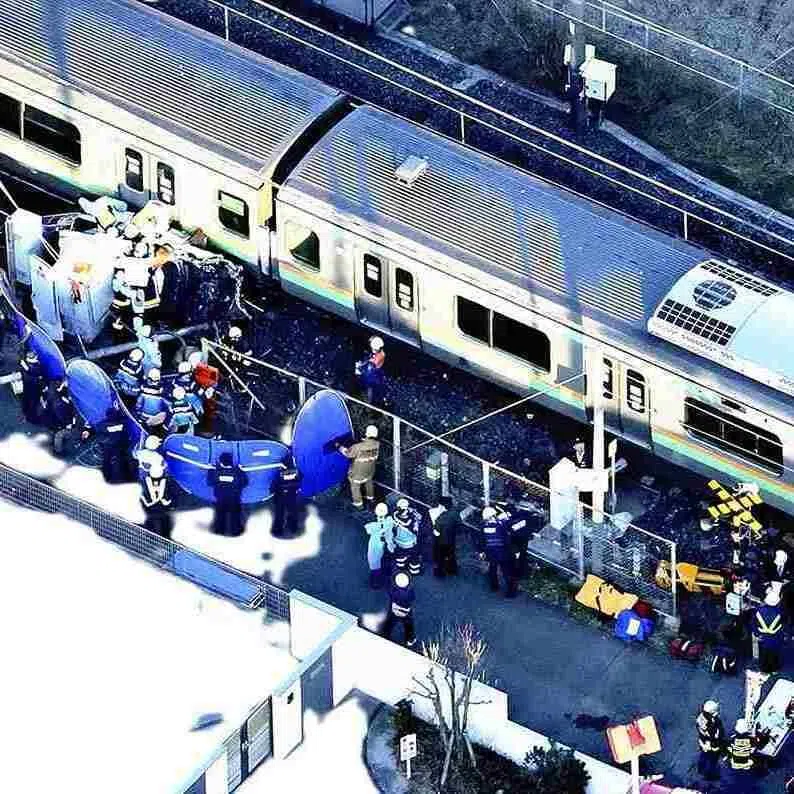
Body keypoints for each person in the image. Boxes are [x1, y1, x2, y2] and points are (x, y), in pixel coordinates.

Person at [479, 505, 518, 598]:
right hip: (502, 552)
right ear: (493, 516)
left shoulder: (483, 527)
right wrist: (515, 551)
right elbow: (507, 540)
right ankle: (511, 592)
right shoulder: (500, 526)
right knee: (506, 572)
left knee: (492, 569)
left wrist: (481, 551)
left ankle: (494, 586)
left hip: (490, 552)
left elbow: (481, 540)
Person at [338, 425, 380, 509]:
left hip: (357, 474)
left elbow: (347, 453)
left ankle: (359, 504)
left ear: (366, 433)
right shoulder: (377, 444)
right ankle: (370, 498)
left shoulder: (357, 447)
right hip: (369, 472)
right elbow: (369, 445)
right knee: (369, 483)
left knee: (355, 487)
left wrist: (339, 446)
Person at [208, 452, 248, 537]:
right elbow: (245, 483)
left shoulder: (216, 472)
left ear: (221, 461)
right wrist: (240, 470)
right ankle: (236, 532)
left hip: (220, 498)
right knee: (235, 516)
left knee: (220, 515)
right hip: (235, 498)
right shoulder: (237, 472)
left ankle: (219, 532)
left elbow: (210, 482)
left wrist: (211, 470)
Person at [138, 447, 174, 538]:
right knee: (161, 521)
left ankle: (154, 536)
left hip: (155, 508)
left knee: (155, 521)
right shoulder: (165, 480)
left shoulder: (147, 480)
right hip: (160, 508)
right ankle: (163, 536)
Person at [381, 571, 416, 647]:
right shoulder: (410, 591)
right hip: (405, 611)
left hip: (394, 609)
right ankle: (410, 639)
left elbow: (389, 593)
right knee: (408, 625)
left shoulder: (393, 590)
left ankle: (385, 634)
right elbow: (412, 598)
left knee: (389, 622)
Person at [365, 502, 396, 589]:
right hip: (384, 545)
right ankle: (381, 579)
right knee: (382, 563)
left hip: (378, 545)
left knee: (376, 564)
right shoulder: (389, 520)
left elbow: (368, 530)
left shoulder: (372, 524)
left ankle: (376, 581)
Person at [753, 589, 785, 673]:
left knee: (764, 654)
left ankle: (763, 669)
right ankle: (774, 669)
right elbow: (784, 626)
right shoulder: (780, 612)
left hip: (763, 638)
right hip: (776, 638)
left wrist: (756, 634)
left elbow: (753, 624)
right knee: (774, 655)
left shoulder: (759, 611)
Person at [429, 495, 459, 578]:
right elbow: (459, 524)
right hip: (451, 539)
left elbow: (436, 533)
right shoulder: (455, 513)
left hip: (441, 541)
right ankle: (452, 570)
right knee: (451, 555)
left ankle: (440, 573)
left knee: (440, 558)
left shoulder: (440, 518)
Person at [272, 458, 302, 538]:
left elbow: (274, 486)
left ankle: (277, 531)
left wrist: (274, 492)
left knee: (279, 514)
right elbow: (300, 479)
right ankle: (293, 528)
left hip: (280, 496)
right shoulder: (296, 472)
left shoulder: (279, 473)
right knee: (293, 512)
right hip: (292, 495)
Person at [696, 700, 725, 781]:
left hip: (703, 742)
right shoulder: (711, 724)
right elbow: (713, 736)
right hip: (712, 745)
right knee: (712, 760)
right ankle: (709, 775)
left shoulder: (700, 718)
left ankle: (700, 769)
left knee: (703, 756)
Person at [393, 497, 423, 576]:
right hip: (410, 542)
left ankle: (401, 567)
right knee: (414, 557)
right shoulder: (412, 518)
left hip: (399, 541)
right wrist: (413, 511)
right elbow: (419, 519)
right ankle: (414, 571)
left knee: (400, 555)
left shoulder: (395, 515)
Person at [218, 325, 252, 390]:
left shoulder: (241, 342)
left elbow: (249, 352)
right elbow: (223, 347)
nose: (235, 340)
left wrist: (243, 356)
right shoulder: (226, 340)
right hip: (227, 360)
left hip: (236, 359)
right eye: (233, 338)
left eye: (237, 338)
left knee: (246, 364)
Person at [356, 335, 386, 405]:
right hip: (374, 371)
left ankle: (369, 401)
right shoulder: (380, 352)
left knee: (369, 386)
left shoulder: (378, 357)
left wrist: (360, 367)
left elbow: (370, 364)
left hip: (373, 374)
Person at [18, 348, 43, 424]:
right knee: (33, 405)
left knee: (25, 402)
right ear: (35, 357)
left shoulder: (24, 364)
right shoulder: (37, 367)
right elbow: (38, 376)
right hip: (34, 390)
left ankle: (25, 415)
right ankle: (32, 419)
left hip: (26, 388)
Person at [110, 265, 132, 339]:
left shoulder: (124, 283)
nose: (122, 276)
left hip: (123, 309)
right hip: (118, 308)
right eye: (119, 274)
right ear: (115, 275)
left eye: (123, 274)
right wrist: (126, 303)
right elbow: (112, 300)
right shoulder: (115, 284)